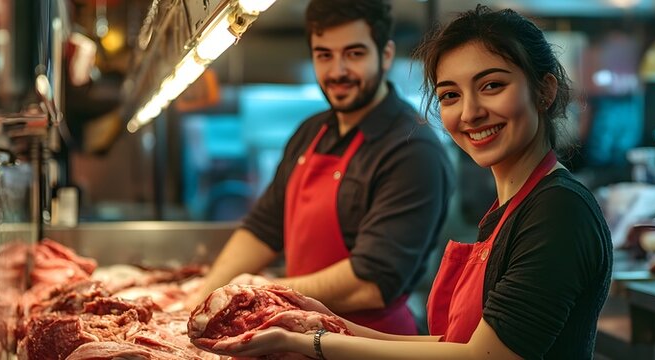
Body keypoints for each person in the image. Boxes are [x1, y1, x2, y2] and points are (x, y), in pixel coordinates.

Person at [204, 5, 613, 359]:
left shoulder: (558, 210)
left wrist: (314, 340)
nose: (470, 113)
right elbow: (450, 344)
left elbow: (484, 356)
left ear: (544, 91)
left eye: (491, 85)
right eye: (450, 95)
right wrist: (312, 322)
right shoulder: (510, 209)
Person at [183, 0, 454, 335]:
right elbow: (263, 228)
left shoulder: (412, 149)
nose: (337, 71)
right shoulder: (311, 132)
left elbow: (369, 283)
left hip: (371, 343)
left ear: (385, 55)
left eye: (354, 54)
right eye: (324, 55)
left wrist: (264, 292)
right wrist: (202, 297)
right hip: (303, 334)